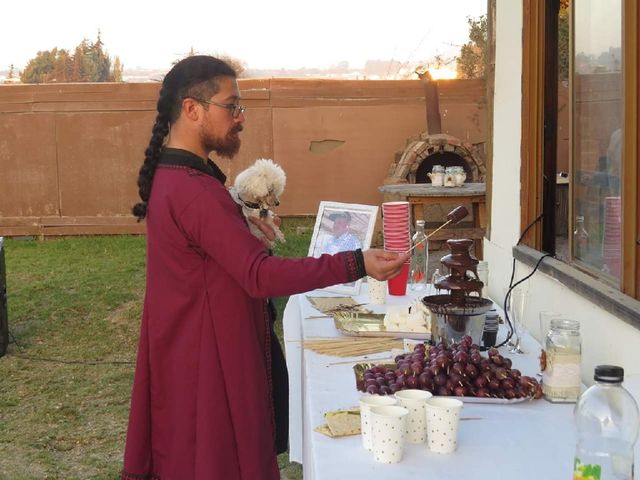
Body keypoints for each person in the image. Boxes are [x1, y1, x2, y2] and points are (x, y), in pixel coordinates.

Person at [122, 55, 408, 480]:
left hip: (191, 349)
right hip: (208, 363)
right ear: (192, 109)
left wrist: (238, 228)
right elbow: (259, 276)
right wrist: (356, 262)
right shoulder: (194, 191)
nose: (240, 117)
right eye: (231, 105)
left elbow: (210, 261)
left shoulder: (181, 179)